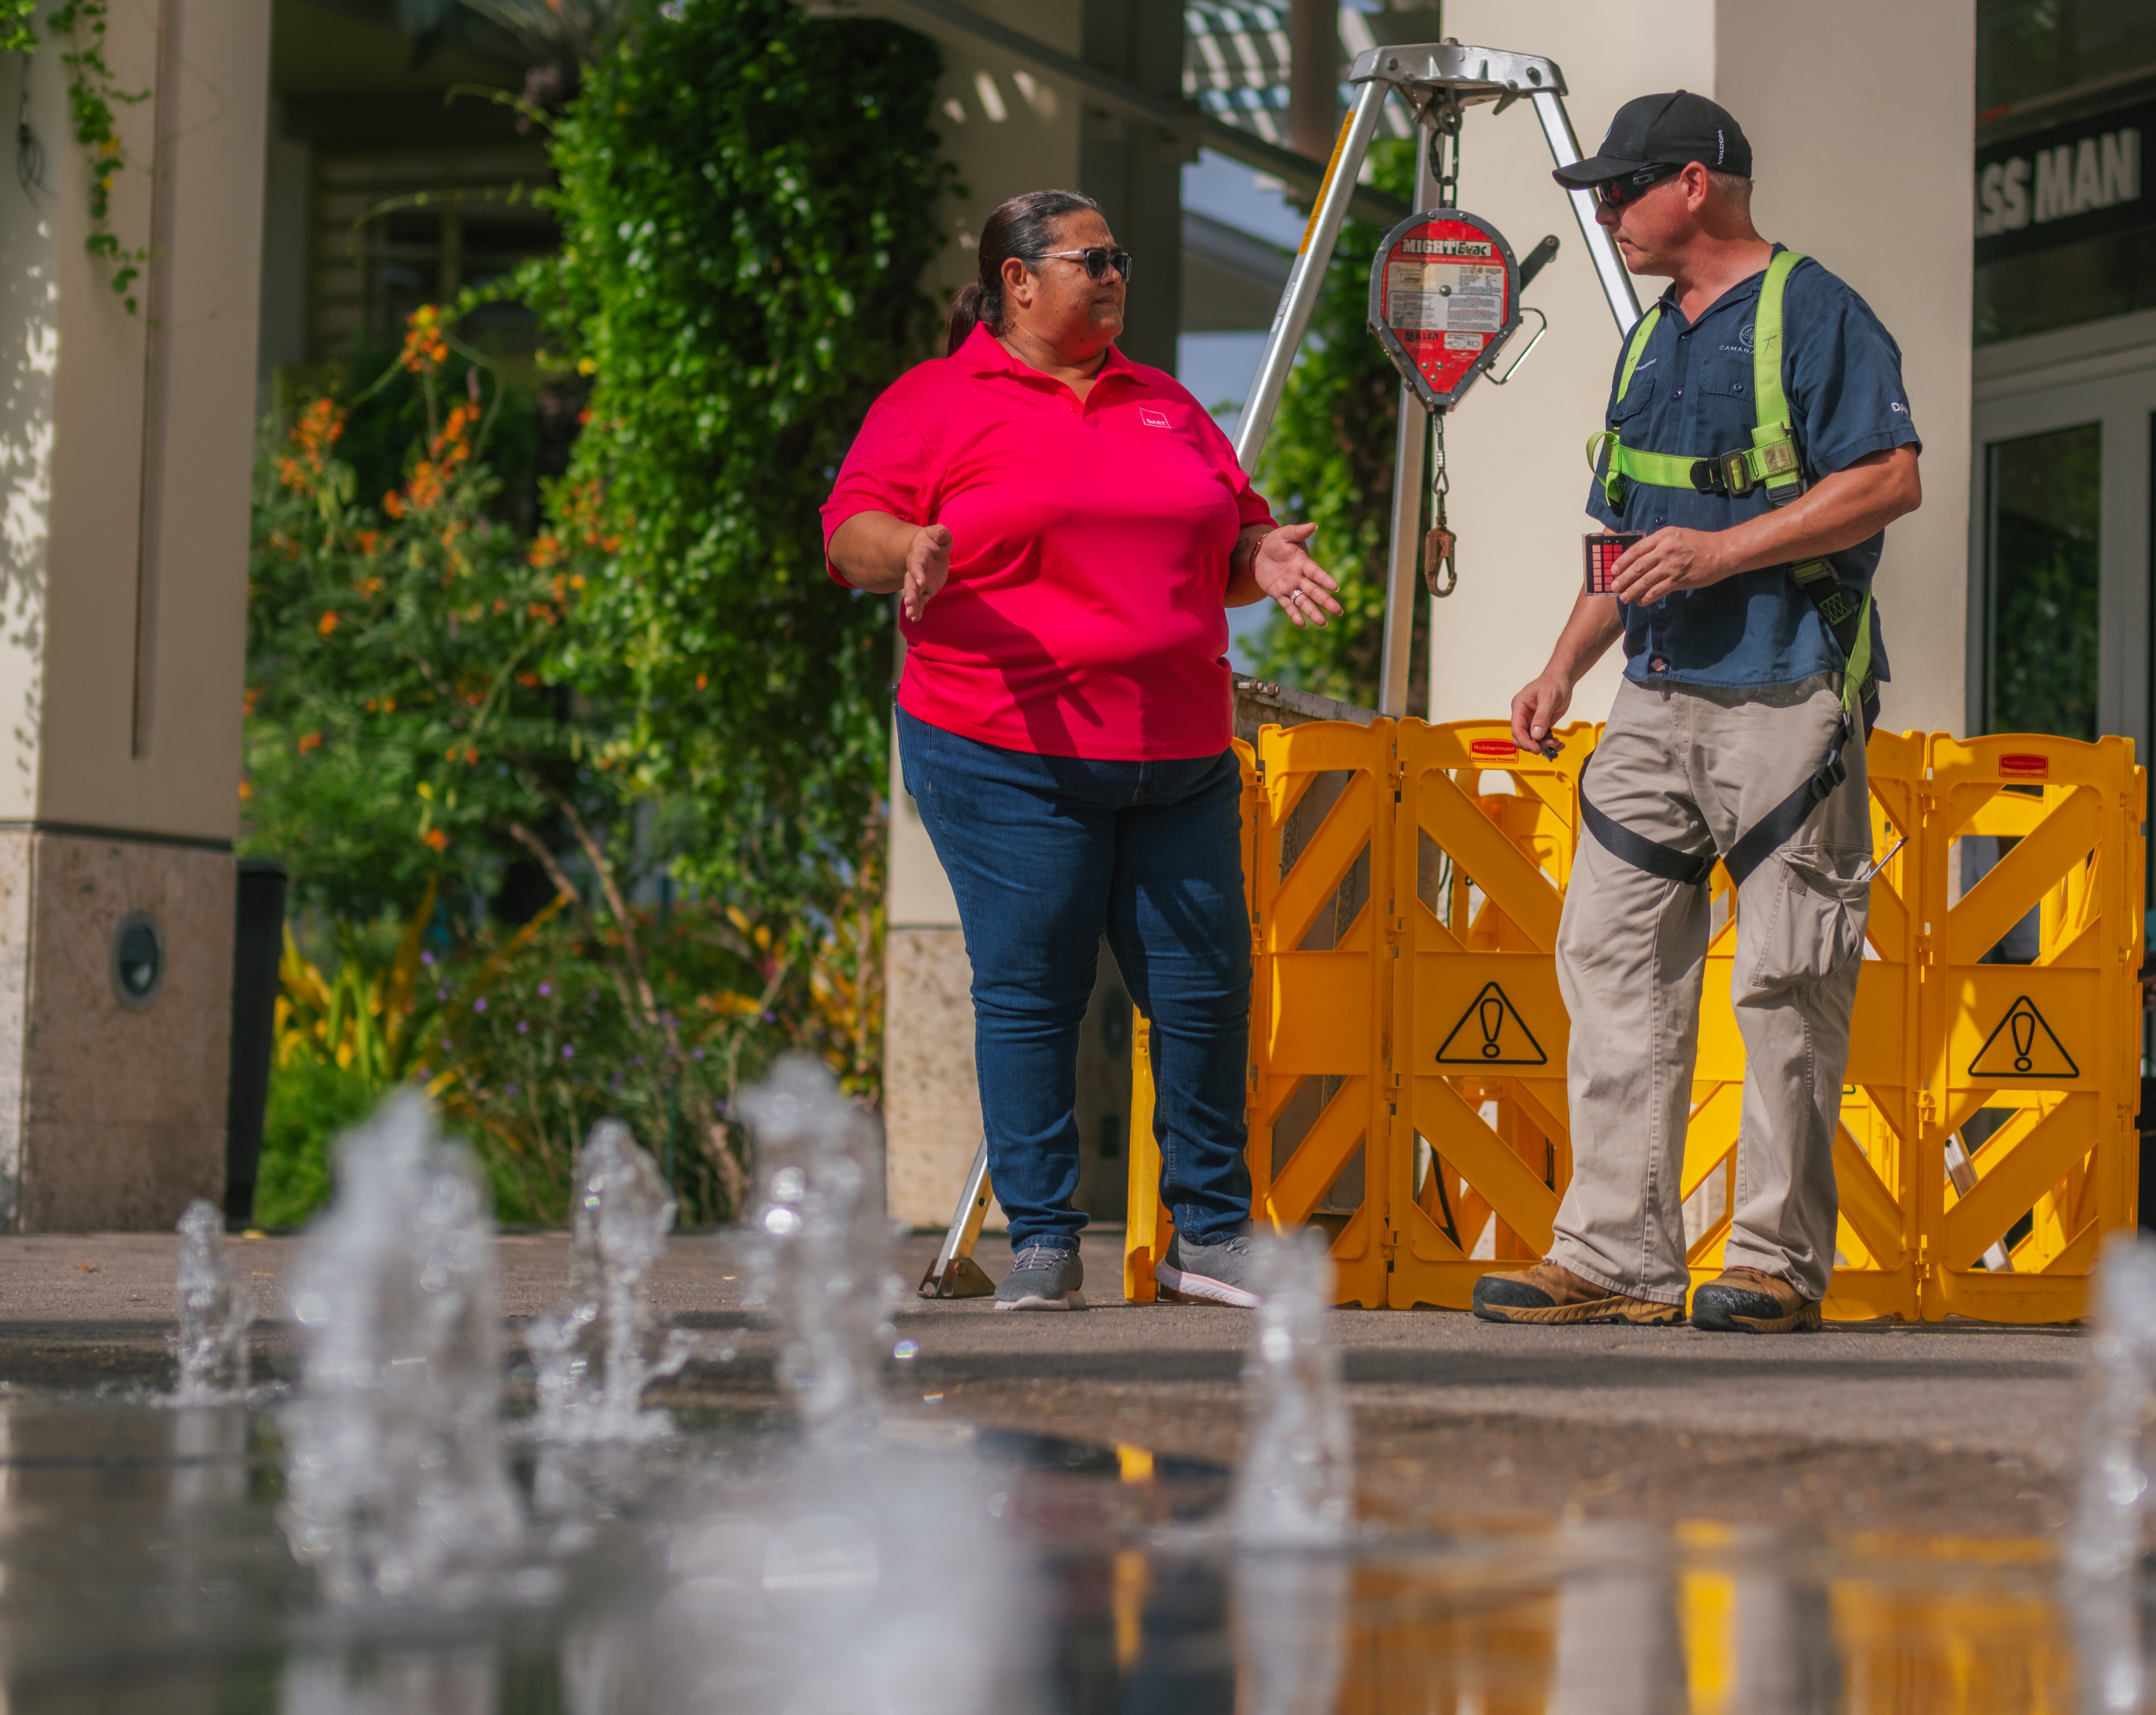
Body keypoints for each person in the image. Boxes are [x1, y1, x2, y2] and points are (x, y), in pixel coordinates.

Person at [821, 189, 1342, 1311]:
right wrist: (909, 548)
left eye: (1122, 256)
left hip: (1177, 749)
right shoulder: (935, 402)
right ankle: (1047, 1244)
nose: (1114, 275)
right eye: (1090, 258)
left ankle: (1208, 1235)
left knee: (1205, 990)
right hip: (1006, 748)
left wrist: (1268, 558)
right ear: (1017, 281)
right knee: (1033, 990)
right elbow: (850, 530)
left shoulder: (1162, 402)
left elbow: (1226, 539)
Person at [1470, 92, 1924, 1335]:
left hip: (1788, 698)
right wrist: (1564, 664)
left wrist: (1724, 558)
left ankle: (1775, 1262)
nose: (1605, 213)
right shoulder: (1648, 341)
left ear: (1695, 185)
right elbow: (1626, 534)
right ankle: (1615, 1251)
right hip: (1653, 702)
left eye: (1621, 191)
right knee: (1610, 962)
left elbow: (1891, 479)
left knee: (1787, 982)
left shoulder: (1814, 313)